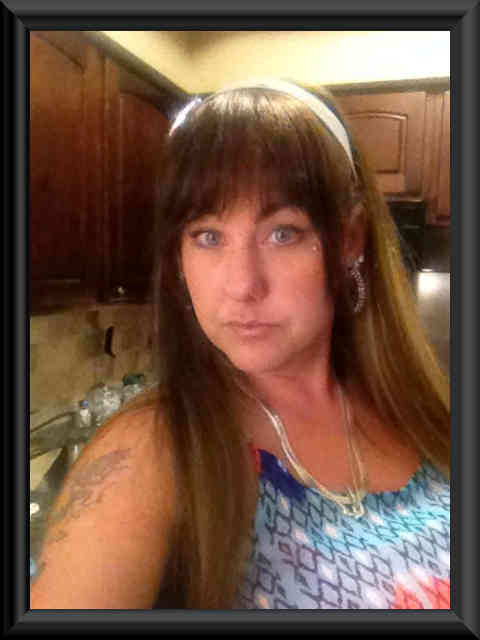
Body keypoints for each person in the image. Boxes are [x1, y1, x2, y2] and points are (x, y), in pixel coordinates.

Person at [30, 78, 450, 610]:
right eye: (208, 236)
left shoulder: (417, 408)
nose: (242, 285)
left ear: (350, 240)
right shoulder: (152, 452)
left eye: (283, 233)